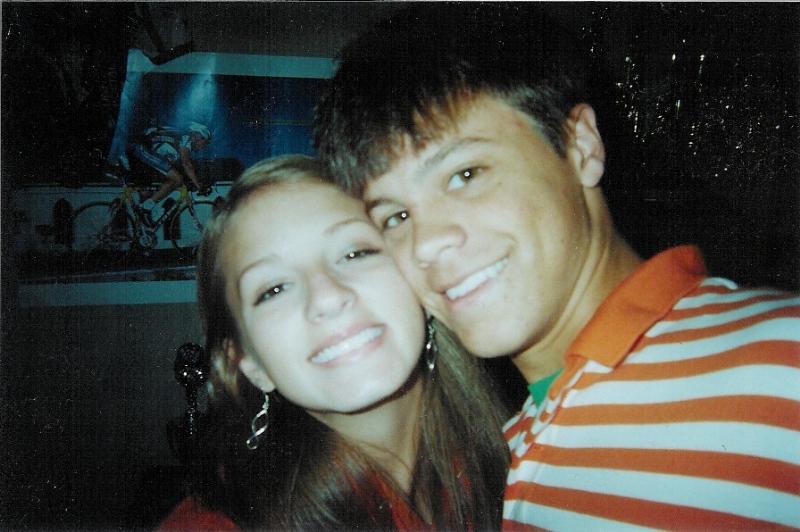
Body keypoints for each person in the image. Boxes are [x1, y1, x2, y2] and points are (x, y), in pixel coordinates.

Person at [313, 5, 800, 529]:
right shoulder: (497, 458)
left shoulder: (782, 366)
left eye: (466, 174)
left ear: (580, 147)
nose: (425, 244)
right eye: (396, 216)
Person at [159, 154, 509, 531]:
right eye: (273, 289)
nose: (326, 297)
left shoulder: (529, 452)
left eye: (355, 253)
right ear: (250, 363)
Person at [126, 121, 212, 223]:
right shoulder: (186, 139)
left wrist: (191, 181)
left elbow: (178, 165)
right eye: (205, 143)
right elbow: (186, 165)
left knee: (147, 192)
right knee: (177, 179)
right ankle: (145, 208)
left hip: (141, 146)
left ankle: (142, 224)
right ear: (198, 137)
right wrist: (198, 186)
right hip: (141, 146)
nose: (204, 147)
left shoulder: (181, 140)